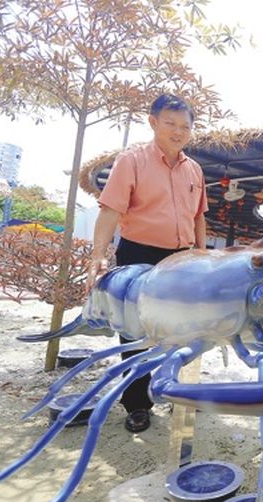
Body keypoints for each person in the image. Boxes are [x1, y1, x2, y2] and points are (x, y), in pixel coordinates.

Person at [86, 94, 208, 433]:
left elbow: (199, 216)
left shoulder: (194, 169)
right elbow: (110, 210)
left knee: (188, 329)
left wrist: (202, 255)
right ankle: (138, 404)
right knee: (134, 333)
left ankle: (182, 394)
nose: (178, 131)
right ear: (153, 122)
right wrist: (98, 255)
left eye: (185, 126)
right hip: (138, 255)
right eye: (170, 123)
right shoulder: (131, 161)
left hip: (182, 259)